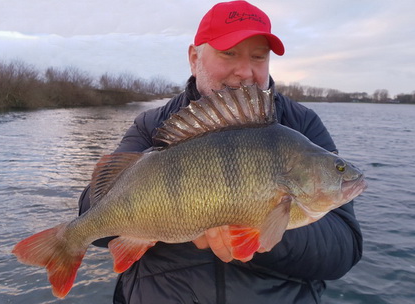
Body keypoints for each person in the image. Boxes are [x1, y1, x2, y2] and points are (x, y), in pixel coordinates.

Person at [78, 1, 363, 303]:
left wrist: (265, 232)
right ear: (194, 57)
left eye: (258, 57)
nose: (244, 72)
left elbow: (344, 250)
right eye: (228, 53)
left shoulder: (301, 125)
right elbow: (91, 215)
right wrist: (163, 176)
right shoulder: (152, 123)